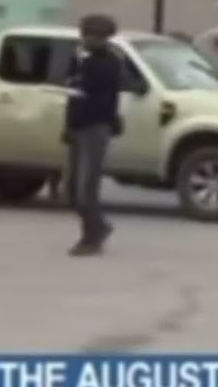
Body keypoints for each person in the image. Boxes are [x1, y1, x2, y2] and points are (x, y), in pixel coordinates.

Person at [63, 14, 123, 257]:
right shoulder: (81, 59)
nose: (85, 40)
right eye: (84, 35)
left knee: (85, 188)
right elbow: (72, 92)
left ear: (102, 38)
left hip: (95, 128)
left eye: (90, 36)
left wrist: (82, 65)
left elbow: (94, 93)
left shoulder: (108, 62)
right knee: (71, 188)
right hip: (78, 126)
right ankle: (98, 227)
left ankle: (92, 235)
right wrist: (68, 127)